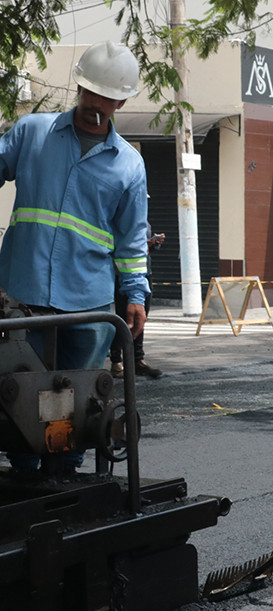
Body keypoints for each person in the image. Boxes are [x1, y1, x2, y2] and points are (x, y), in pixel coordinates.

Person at [0, 41, 149, 476]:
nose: (95, 104)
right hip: (23, 300)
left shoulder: (129, 165)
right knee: (18, 400)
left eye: (106, 97)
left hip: (88, 308)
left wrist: (136, 295)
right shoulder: (33, 133)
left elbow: (131, 240)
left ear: (121, 100)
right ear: (79, 87)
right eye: (89, 92)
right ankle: (25, 482)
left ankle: (64, 483)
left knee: (78, 406)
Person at [110, 224, 164, 378]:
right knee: (124, 319)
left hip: (144, 274)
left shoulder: (144, 224)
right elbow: (120, 248)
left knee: (140, 318)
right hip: (125, 276)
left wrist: (152, 244)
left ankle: (137, 360)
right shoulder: (121, 221)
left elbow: (144, 252)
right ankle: (116, 361)